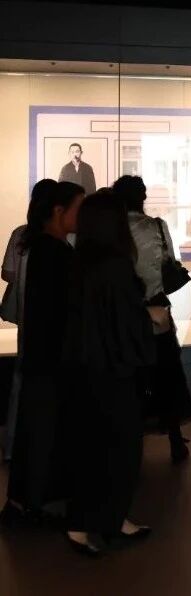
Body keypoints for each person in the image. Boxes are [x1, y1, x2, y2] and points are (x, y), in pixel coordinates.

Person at [63, 191, 157, 556]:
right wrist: (150, 319)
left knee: (90, 448)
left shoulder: (78, 262)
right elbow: (125, 322)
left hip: (81, 368)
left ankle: (101, 520)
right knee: (121, 450)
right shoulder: (115, 266)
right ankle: (98, 521)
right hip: (112, 370)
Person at [2, 181, 84, 525]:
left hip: (41, 354)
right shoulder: (55, 252)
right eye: (78, 208)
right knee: (45, 432)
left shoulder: (40, 246)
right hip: (52, 358)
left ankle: (28, 502)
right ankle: (37, 504)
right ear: (58, 211)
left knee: (37, 430)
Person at [112, 176, 191, 464]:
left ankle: (129, 443)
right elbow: (169, 261)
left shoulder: (112, 229)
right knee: (166, 374)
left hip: (124, 312)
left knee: (130, 378)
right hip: (157, 309)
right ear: (142, 197)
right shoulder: (157, 226)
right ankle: (175, 439)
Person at [1, 179, 58, 462]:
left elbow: (7, 274)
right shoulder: (62, 240)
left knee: (22, 378)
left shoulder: (21, 234)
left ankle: (14, 446)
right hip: (54, 319)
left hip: (26, 315)